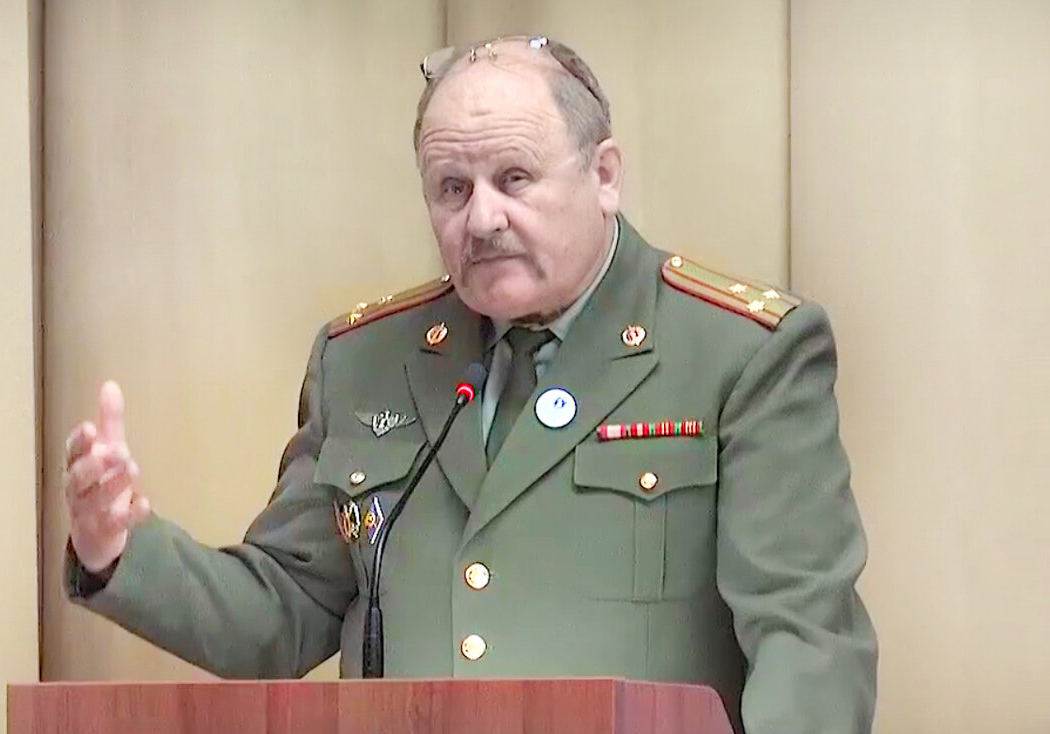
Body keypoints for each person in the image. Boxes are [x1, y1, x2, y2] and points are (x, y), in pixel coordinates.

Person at [62, 36, 877, 734]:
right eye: (453, 188)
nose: (482, 219)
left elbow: (807, 644)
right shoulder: (366, 359)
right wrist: (119, 549)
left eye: (514, 179)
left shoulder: (739, 352)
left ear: (604, 175)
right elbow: (283, 612)